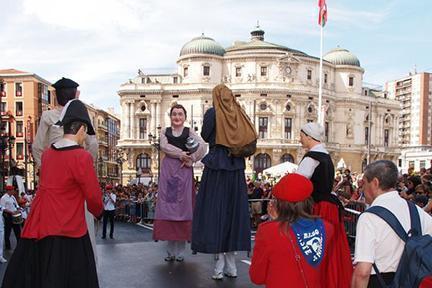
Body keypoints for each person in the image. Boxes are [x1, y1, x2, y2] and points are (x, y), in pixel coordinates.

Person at [2, 100, 103, 288]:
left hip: (41, 225)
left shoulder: (48, 154)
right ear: (81, 128)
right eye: (85, 132)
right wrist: (99, 212)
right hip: (71, 228)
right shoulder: (82, 157)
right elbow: (93, 197)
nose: (85, 137)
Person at [192, 84, 256, 280]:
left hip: (217, 168)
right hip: (236, 168)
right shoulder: (238, 112)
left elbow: (205, 135)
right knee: (234, 213)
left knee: (216, 212)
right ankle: (232, 265)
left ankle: (218, 266)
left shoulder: (213, 113)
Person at [32, 77, 99, 260]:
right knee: (83, 226)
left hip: (53, 183)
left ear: (55, 96)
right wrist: (86, 165)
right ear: (76, 94)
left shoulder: (48, 116)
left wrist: (43, 170)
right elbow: (93, 144)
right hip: (77, 181)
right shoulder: (81, 116)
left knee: (51, 228)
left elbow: (37, 147)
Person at [352, 160, 432, 288]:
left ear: (375, 183)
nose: (362, 188)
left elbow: (363, 271)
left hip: (380, 281)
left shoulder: (369, 217)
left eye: (364, 183)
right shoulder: (416, 210)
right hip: (412, 280)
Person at [250, 173, 334, 288]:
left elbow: (257, 277)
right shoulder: (327, 228)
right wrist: (278, 222)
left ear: (280, 203)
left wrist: (275, 222)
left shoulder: (267, 231)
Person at [296, 122, 352, 287]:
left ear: (308, 136)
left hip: (318, 207)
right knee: (331, 248)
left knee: (315, 250)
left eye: (301, 136)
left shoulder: (311, 157)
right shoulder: (326, 156)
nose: (300, 140)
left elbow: (298, 184)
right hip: (330, 206)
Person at [153, 104, 205, 262]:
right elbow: (164, 146)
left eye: (180, 114)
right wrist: (181, 154)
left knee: (183, 208)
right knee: (169, 207)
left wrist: (192, 159)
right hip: (169, 172)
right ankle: (170, 251)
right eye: (174, 114)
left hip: (183, 171)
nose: (177, 117)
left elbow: (202, 146)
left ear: (185, 117)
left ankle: (180, 251)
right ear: (170, 116)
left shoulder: (189, 131)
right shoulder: (164, 132)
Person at [0, 185, 21, 250]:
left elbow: (16, 205)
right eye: (12, 190)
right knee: (7, 231)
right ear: (8, 191)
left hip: (15, 215)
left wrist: (18, 209)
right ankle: (7, 246)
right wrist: (11, 212)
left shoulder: (12, 197)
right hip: (8, 216)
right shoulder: (3, 198)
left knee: (18, 231)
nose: (13, 191)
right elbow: (2, 208)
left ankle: (19, 245)